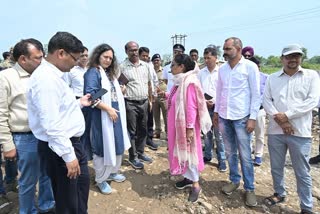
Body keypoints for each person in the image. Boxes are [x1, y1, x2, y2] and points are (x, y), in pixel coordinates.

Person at [27, 32, 92, 214]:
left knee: (79, 195)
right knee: (68, 202)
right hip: (61, 147)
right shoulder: (46, 79)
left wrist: (79, 103)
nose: (76, 63)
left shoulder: (55, 75)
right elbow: (51, 123)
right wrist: (68, 155)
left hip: (70, 145)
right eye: (75, 58)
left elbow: (59, 109)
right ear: (61, 53)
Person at [263, 44, 320, 214]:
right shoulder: (272, 78)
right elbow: (267, 101)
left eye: (296, 56)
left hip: (300, 132)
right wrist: (282, 121)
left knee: (302, 171)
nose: (293, 59)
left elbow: (311, 101)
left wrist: (287, 115)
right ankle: (279, 193)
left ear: (301, 58)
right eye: (289, 56)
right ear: (282, 59)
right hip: (276, 130)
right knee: (276, 166)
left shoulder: (311, 76)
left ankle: (306, 206)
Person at [0, 38, 55, 214]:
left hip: (45, 135)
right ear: (23, 59)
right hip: (24, 137)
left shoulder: (42, 74)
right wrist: (7, 145)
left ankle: (47, 205)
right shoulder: (6, 78)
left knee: (47, 174)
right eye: (38, 58)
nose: (42, 61)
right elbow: (1, 113)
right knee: (28, 180)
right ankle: (28, 210)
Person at [213, 37, 260, 207]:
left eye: (228, 49)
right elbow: (219, 92)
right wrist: (217, 112)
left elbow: (256, 94)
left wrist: (253, 118)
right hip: (225, 117)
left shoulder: (250, 67)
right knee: (230, 152)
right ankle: (234, 180)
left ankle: (249, 188)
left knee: (245, 155)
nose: (224, 52)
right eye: (224, 49)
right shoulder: (223, 69)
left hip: (242, 118)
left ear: (238, 49)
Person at [162, 54, 211, 202]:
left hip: (185, 126)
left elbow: (191, 107)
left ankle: (196, 185)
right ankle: (188, 178)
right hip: (177, 125)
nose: (170, 69)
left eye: (172, 65)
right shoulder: (180, 82)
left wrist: (189, 128)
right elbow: (176, 98)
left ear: (181, 67)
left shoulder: (189, 82)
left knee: (190, 153)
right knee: (182, 152)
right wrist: (165, 95)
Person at [83, 44, 131, 194]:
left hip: (115, 114)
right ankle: (100, 179)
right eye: (105, 57)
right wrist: (108, 109)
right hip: (101, 116)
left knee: (117, 143)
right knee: (102, 146)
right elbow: (91, 97)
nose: (108, 60)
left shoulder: (108, 74)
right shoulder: (93, 72)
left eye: (111, 58)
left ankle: (112, 172)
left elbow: (107, 92)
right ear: (98, 56)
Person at [119, 41, 153, 169]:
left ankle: (141, 152)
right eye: (131, 50)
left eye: (136, 49)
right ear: (126, 52)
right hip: (130, 103)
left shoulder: (146, 66)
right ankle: (133, 157)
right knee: (132, 131)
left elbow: (149, 84)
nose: (134, 52)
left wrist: (150, 100)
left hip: (144, 102)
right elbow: (120, 85)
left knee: (143, 129)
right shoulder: (122, 67)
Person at [198, 47, 227, 172]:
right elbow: (198, 90)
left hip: (218, 108)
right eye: (205, 58)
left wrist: (214, 100)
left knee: (219, 136)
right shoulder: (201, 73)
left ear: (216, 58)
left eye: (209, 58)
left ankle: (222, 160)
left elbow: (225, 90)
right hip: (204, 107)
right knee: (206, 133)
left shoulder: (221, 72)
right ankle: (208, 155)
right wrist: (204, 101)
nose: (206, 60)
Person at [247, 56, 269, 166]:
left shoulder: (265, 78)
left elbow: (267, 94)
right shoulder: (245, 78)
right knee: (247, 134)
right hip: (247, 111)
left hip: (260, 110)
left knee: (259, 134)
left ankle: (258, 155)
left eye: (258, 67)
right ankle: (248, 155)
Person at [138, 47, 159, 150]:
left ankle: (149, 139)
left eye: (147, 56)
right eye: (143, 56)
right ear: (139, 56)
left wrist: (154, 94)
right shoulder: (135, 67)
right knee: (141, 121)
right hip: (139, 98)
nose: (145, 58)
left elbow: (154, 80)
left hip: (149, 97)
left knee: (150, 119)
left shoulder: (150, 66)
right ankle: (141, 142)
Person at [151, 54, 167, 139]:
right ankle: (157, 131)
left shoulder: (164, 70)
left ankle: (168, 132)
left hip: (163, 96)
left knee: (166, 115)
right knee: (156, 115)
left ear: (160, 61)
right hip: (154, 96)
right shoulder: (151, 71)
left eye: (158, 60)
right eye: (155, 60)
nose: (156, 62)